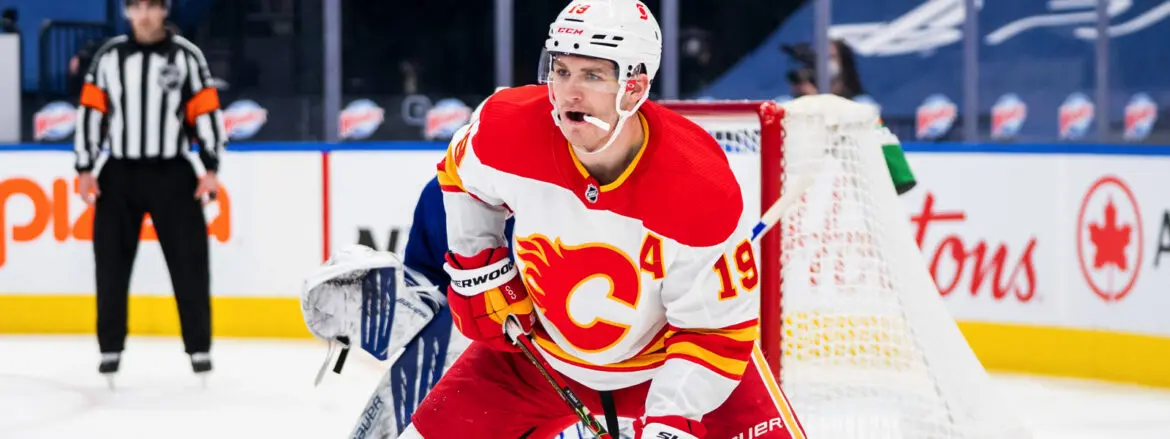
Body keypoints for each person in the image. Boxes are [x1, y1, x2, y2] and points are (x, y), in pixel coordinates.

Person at [403, 1, 808, 438]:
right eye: (560, 71)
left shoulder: (698, 183)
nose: (569, 93)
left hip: (669, 365)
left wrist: (672, 419)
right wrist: (480, 262)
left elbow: (715, 335)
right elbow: (462, 178)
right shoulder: (507, 126)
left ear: (634, 88)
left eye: (593, 75)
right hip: (535, 359)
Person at [73, 0, 226, 385]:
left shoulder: (186, 56)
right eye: (136, 6)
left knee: (190, 262)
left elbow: (205, 110)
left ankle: (199, 349)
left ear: (164, 10)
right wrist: (85, 167)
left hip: (172, 173)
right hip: (119, 173)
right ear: (127, 12)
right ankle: (110, 348)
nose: (144, 14)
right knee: (110, 263)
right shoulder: (109, 57)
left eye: (152, 6)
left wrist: (210, 167)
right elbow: (92, 110)